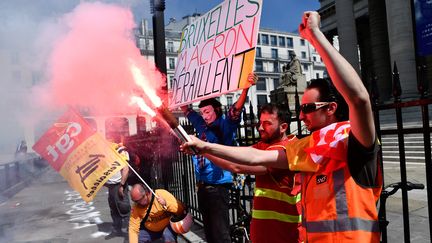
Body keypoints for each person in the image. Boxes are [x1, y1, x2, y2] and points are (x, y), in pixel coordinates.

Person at [181, 11, 382, 242]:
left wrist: (316, 36)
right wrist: (204, 147)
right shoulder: (307, 146)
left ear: (331, 108)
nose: (301, 114)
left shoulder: (354, 139)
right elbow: (254, 157)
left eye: (308, 108)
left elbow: (359, 99)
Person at [200, 103, 303, 243]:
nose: (260, 128)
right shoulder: (265, 145)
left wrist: (203, 149)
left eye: (267, 123)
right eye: (260, 122)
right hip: (265, 234)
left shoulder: (288, 149)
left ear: (283, 127)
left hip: (284, 235)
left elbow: (236, 166)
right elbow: (235, 156)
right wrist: (202, 150)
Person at [180, 73, 256, 243]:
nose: (205, 116)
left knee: (220, 233)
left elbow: (235, 111)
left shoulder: (224, 125)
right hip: (202, 186)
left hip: (218, 186)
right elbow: (187, 110)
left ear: (217, 110)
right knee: (209, 231)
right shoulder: (201, 124)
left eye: (207, 112)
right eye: (203, 112)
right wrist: (178, 94)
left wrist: (246, 88)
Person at [104, 142, 131, 239]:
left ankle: (130, 233)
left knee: (124, 208)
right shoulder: (107, 152)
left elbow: (126, 169)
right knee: (114, 209)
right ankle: (117, 230)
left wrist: (122, 185)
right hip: (111, 186)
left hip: (119, 185)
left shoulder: (121, 151)